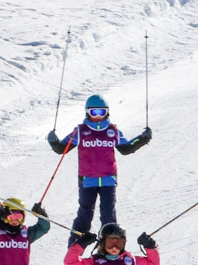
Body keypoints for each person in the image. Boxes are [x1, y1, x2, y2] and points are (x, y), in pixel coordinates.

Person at [47, 94, 153, 238]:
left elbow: (126, 148)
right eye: (94, 112)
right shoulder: (81, 131)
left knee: (108, 213)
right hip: (87, 179)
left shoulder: (113, 131)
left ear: (107, 112)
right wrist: (53, 141)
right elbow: (62, 149)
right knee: (85, 212)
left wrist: (142, 139)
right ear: (87, 112)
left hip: (108, 179)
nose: (97, 116)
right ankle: (76, 242)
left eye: (101, 112)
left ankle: (110, 242)